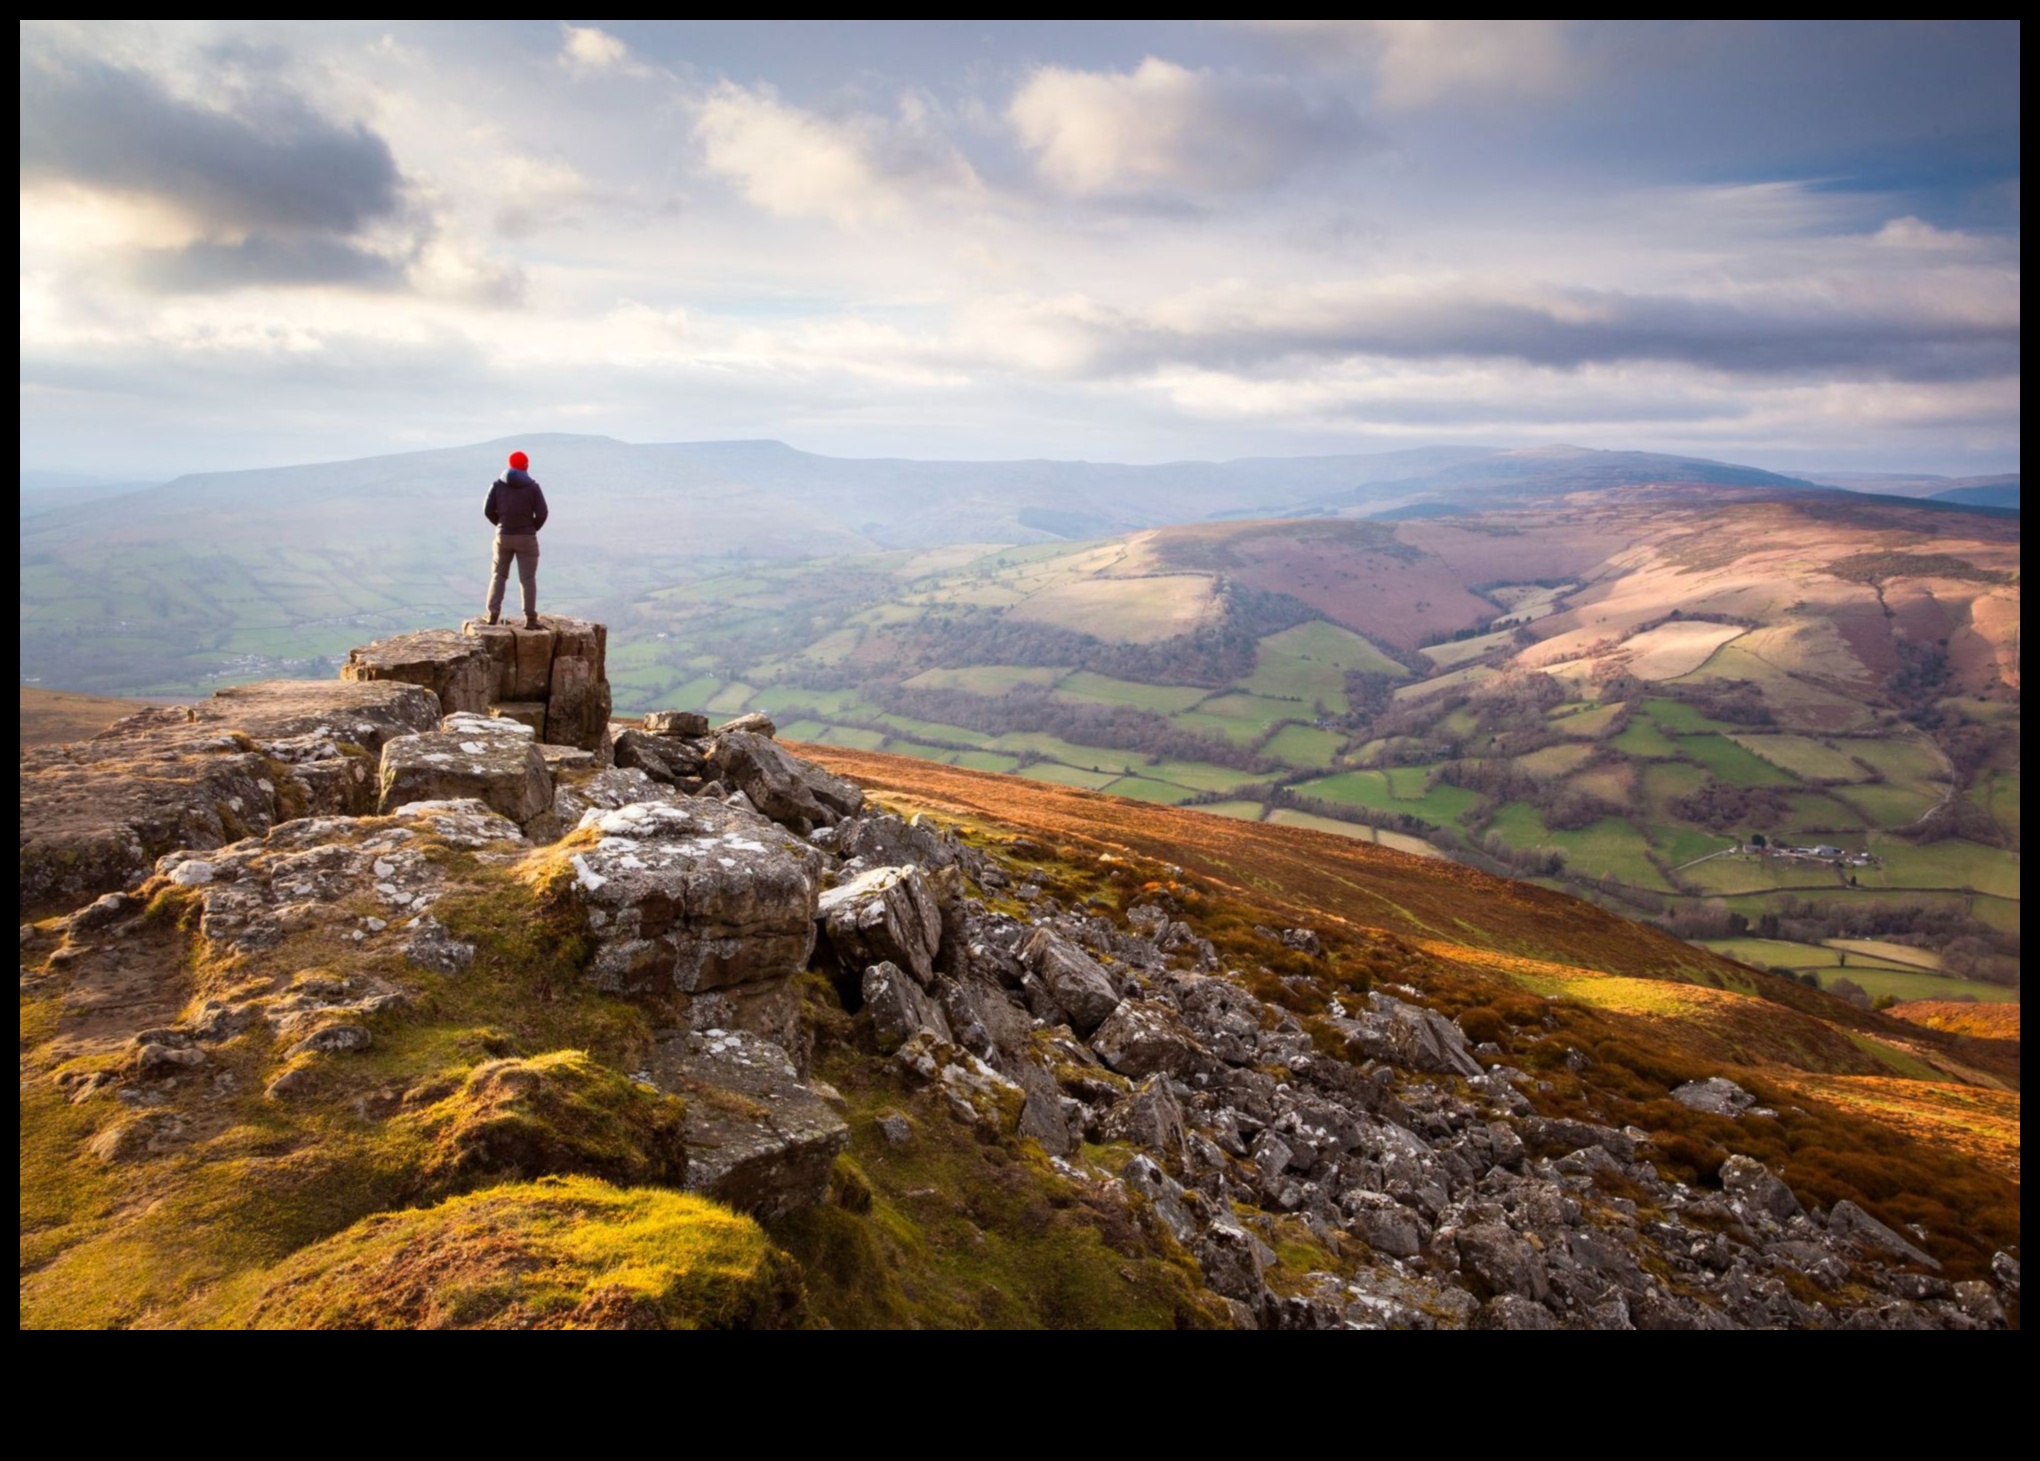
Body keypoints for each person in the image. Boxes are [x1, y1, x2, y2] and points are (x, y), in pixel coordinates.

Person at [483, 449, 549, 629]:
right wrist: (531, 528)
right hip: (526, 538)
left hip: (503, 537)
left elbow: (487, 510)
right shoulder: (533, 487)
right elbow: (543, 513)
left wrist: (501, 525)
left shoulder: (497, 485)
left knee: (498, 575)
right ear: (526, 466)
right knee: (527, 579)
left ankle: (492, 615)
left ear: (509, 465)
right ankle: (530, 619)